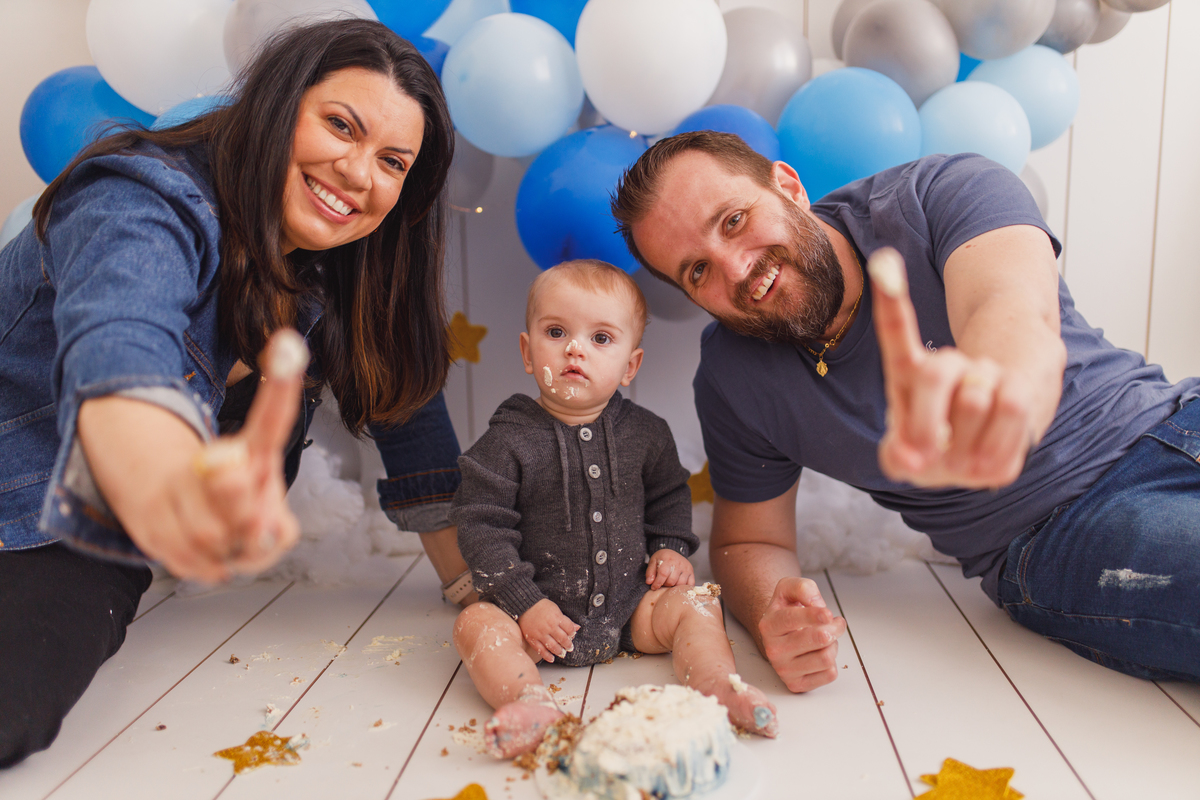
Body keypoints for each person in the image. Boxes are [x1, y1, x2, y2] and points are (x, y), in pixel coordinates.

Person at [0, 19, 475, 767]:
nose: (359, 173)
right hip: (25, 476)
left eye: (393, 162)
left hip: (85, 528)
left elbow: (406, 414)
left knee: (15, 710)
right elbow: (121, 344)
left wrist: (478, 591)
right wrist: (163, 469)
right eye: (340, 125)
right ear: (280, 105)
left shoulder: (338, 263)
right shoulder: (140, 198)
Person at [610, 131, 1200, 690]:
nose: (737, 269)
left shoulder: (942, 192)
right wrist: (774, 613)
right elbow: (748, 541)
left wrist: (995, 390)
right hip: (1064, 529)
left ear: (787, 186)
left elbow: (1013, 309)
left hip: (1177, 415)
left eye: (733, 221)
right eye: (698, 270)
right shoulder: (732, 379)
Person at [449, 260, 779, 758]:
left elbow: (670, 495)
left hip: (630, 608)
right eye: (556, 332)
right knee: (475, 625)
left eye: (601, 338)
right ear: (527, 351)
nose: (575, 349)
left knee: (699, 602)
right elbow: (481, 524)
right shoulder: (508, 440)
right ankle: (528, 701)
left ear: (630, 366)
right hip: (536, 620)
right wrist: (524, 602)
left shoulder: (646, 434)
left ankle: (717, 683)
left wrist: (670, 547)